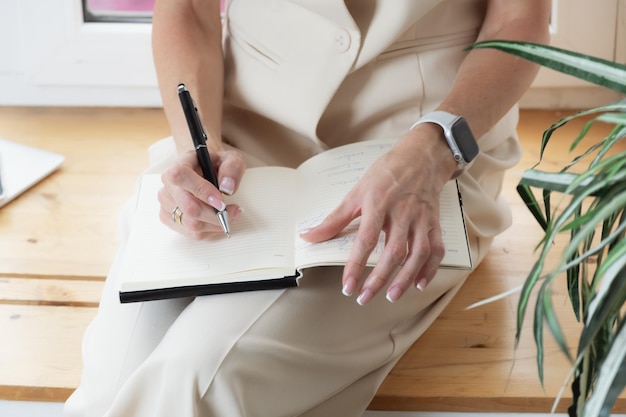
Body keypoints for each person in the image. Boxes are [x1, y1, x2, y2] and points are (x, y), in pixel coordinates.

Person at [63, 1, 550, 416]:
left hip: (421, 149)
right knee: (109, 385)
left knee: (202, 377)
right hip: (238, 142)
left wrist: (435, 148)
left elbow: (520, 19)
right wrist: (200, 141)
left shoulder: (430, 152)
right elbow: (187, 9)